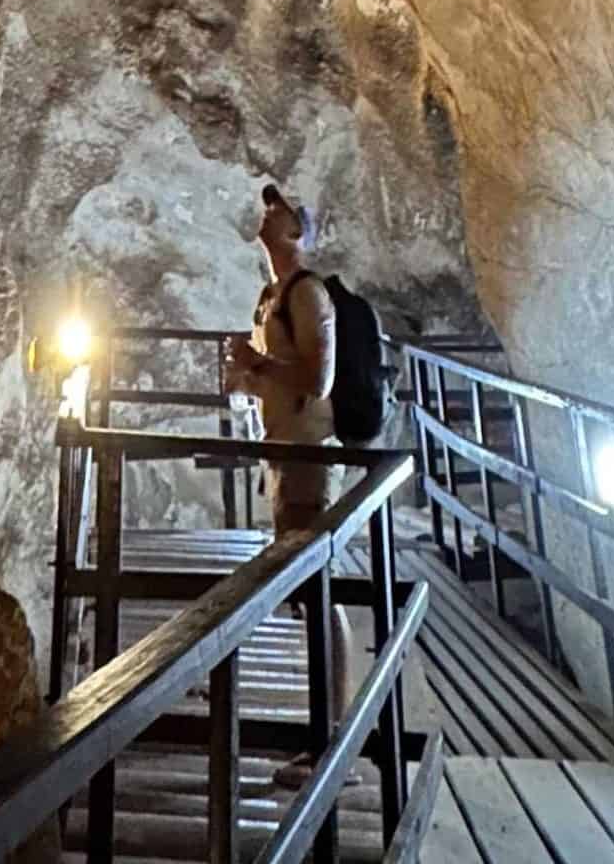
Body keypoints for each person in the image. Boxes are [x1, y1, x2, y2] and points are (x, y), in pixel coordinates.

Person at [227, 183, 359, 787]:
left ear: (296, 230)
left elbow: (319, 377)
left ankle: (330, 740)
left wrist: (257, 367)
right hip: (281, 453)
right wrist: (246, 380)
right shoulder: (272, 297)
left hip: (307, 454)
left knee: (316, 590)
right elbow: (280, 380)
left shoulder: (307, 293)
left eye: (277, 207)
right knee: (307, 592)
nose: (265, 210)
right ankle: (325, 736)